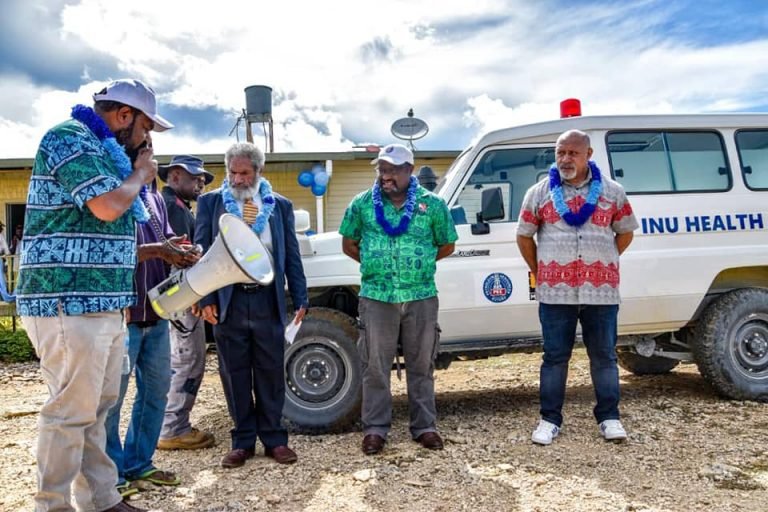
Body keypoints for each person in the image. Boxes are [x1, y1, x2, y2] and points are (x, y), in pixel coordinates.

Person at [15, 78, 173, 512]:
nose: (146, 142)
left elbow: (107, 229)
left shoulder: (106, 155)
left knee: (97, 409)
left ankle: (101, 500)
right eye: (146, 129)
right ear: (124, 117)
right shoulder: (70, 139)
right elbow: (106, 206)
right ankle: (51, 505)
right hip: (68, 300)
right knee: (70, 412)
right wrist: (141, 174)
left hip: (102, 304)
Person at [516, 129, 639, 446]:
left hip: (602, 292)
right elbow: (524, 234)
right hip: (555, 293)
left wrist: (603, 260)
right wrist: (540, 269)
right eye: (560, 152)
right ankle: (549, 419)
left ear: (588, 155)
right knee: (555, 357)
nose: (565, 159)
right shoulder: (539, 192)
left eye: (573, 153)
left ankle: (610, 418)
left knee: (604, 357)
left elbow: (625, 232)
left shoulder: (612, 191)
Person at [339, 143, 458, 455]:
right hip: (377, 297)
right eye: (382, 169)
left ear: (410, 170)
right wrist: (375, 266)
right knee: (375, 366)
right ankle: (375, 429)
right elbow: (349, 244)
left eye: (392, 169)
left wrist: (420, 265)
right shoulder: (362, 204)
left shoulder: (433, 205)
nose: (385, 175)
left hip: (420, 296)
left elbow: (447, 245)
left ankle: (425, 427)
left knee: (421, 364)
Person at [195, 142, 308, 468]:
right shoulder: (211, 203)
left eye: (245, 173)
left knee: (271, 372)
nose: (238, 179)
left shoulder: (280, 206)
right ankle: (242, 441)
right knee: (235, 374)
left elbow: (291, 254)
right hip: (228, 301)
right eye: (233, 173)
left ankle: (274, 439)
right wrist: (205, 298)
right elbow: (202, 253)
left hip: (267, 300)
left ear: (259, 172)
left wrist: (300, 296)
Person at [105, 174, 199, 497]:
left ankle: (139, 463)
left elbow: (167, 238)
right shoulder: (116, 196)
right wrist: (160, 250)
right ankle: (112, 474)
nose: (151, 154)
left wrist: (179, 249)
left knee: (156, 392)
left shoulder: (156, 199)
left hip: (156, 313)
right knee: (112, 399)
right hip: (125, 313)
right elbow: (115, 250)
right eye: (145, 147)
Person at [156, 155, 216, 451]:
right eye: (196, 178)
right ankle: (173, 428)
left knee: (181, 360)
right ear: (175, 176)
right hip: (181, 297)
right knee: (187, 360)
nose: (201, 184)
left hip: (175, 297)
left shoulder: (172, 206)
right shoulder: (173, 209)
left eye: (203, 179)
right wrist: (197, 296)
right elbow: (185, 259)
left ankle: (170, 424)